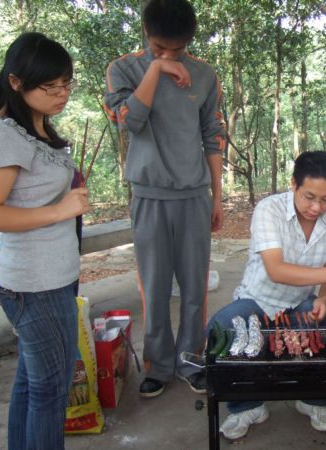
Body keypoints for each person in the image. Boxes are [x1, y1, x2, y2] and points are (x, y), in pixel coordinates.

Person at [104, 0, 226, 398]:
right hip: (149, 196)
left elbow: (213, 135)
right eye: (160, 47)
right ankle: (157, 365)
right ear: (146, 32)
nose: (171, 55)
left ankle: (191, 360)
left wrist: (217, 197)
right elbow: (130, 121)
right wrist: (156, 69)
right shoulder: (124, 69)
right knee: (154, 288)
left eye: (178, 49)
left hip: (194, 196)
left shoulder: (205, 74)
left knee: (194, 288)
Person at [208, 151, 326, 440]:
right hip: (258, 301)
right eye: (309, 197)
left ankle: (313, 400)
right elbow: (276, 270)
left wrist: (323, 299)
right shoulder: (269, 210)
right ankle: (247, 406)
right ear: (293, 184)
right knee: (221, 328)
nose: (316, 207)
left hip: (300, 304)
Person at [0, 32, 91, 449]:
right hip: (37, 286)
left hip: (53, 279)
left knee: (32, 384)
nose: (62, 94)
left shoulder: (34, 129)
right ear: (16, 82)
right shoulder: (5, 134)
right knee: (51, 393)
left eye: (66, 83)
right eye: (50, 86)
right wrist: (60, 210)